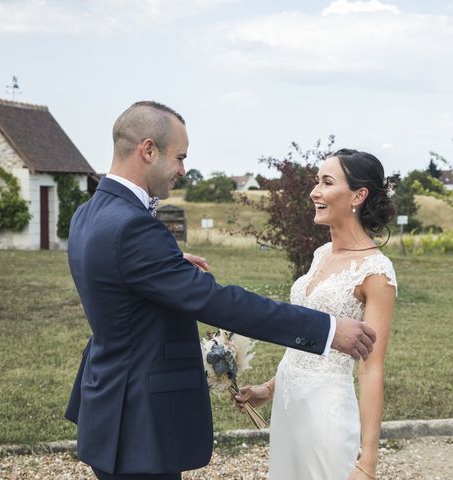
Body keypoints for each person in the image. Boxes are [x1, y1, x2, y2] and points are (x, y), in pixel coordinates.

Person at [64, 102, 377, 480]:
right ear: (148, 150)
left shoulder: (90, 212)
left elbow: (112, 269)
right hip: (139, 420)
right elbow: (219, 303)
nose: (182, 169)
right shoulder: (133, 229)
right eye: (179, 157)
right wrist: (327, 330)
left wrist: (168, 263)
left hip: (109, 404)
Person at [233, 149, 397, 479]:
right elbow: (309, 339)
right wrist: (270, 388)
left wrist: (368, 463)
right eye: (315, 181)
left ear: (358, 195)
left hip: (326, 414)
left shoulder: (376, 272)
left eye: (326, 182)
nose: (314, 192)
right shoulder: (321, 255)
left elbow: (371, 368)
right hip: (289, 408)